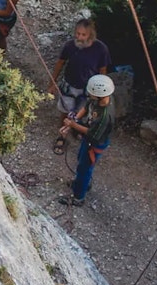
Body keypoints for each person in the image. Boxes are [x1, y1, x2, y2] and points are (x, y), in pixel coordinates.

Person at [48, 18, 111, 155]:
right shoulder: (70, 46)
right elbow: (60, 63)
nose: (79, 37)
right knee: (65, 111)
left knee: (81, 112)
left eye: (83, 35)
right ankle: (62, 136)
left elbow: (103, 70)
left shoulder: (101, 49)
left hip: (88, 89)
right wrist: (52, 82)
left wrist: (101, 92)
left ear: (90, 35)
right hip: (69, 85)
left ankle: (76, 128)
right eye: (77, 33)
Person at [57, 74, 115, 206]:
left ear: (99, 94)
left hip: (95, 143)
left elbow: (91, 133)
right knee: (81, 160)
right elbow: (86, 107)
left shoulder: (105, 116)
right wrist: (74, 119)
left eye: (91, 92)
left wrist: (72, 125)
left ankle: (78, 197)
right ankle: (82, 183)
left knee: (84, 168)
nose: (89, 93)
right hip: (89, 140)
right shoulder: (101, 98)